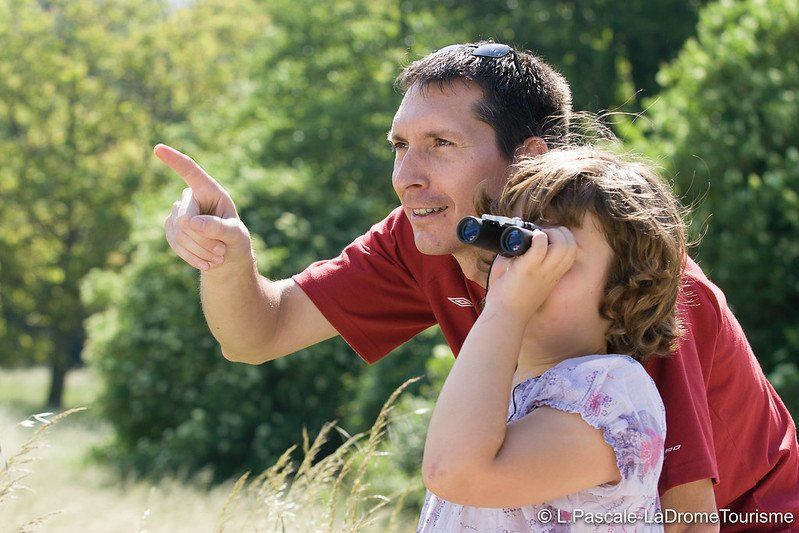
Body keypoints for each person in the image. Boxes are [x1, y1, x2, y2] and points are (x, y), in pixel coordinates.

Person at [156, 41, 799, 530]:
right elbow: (257, 334)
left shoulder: (629, 276)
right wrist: (226, 259)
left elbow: (690, 509)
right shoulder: (425, 235)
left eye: (440, 144)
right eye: (398, 145)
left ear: (529, 157)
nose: (407, 175)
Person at [417, 146, 682, 531]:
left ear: (623, 290)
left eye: (553, 253)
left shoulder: (612, 392)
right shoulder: (495, 392)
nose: (524, 268)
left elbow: (452, 472)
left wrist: (505, 308)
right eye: (519, 244)